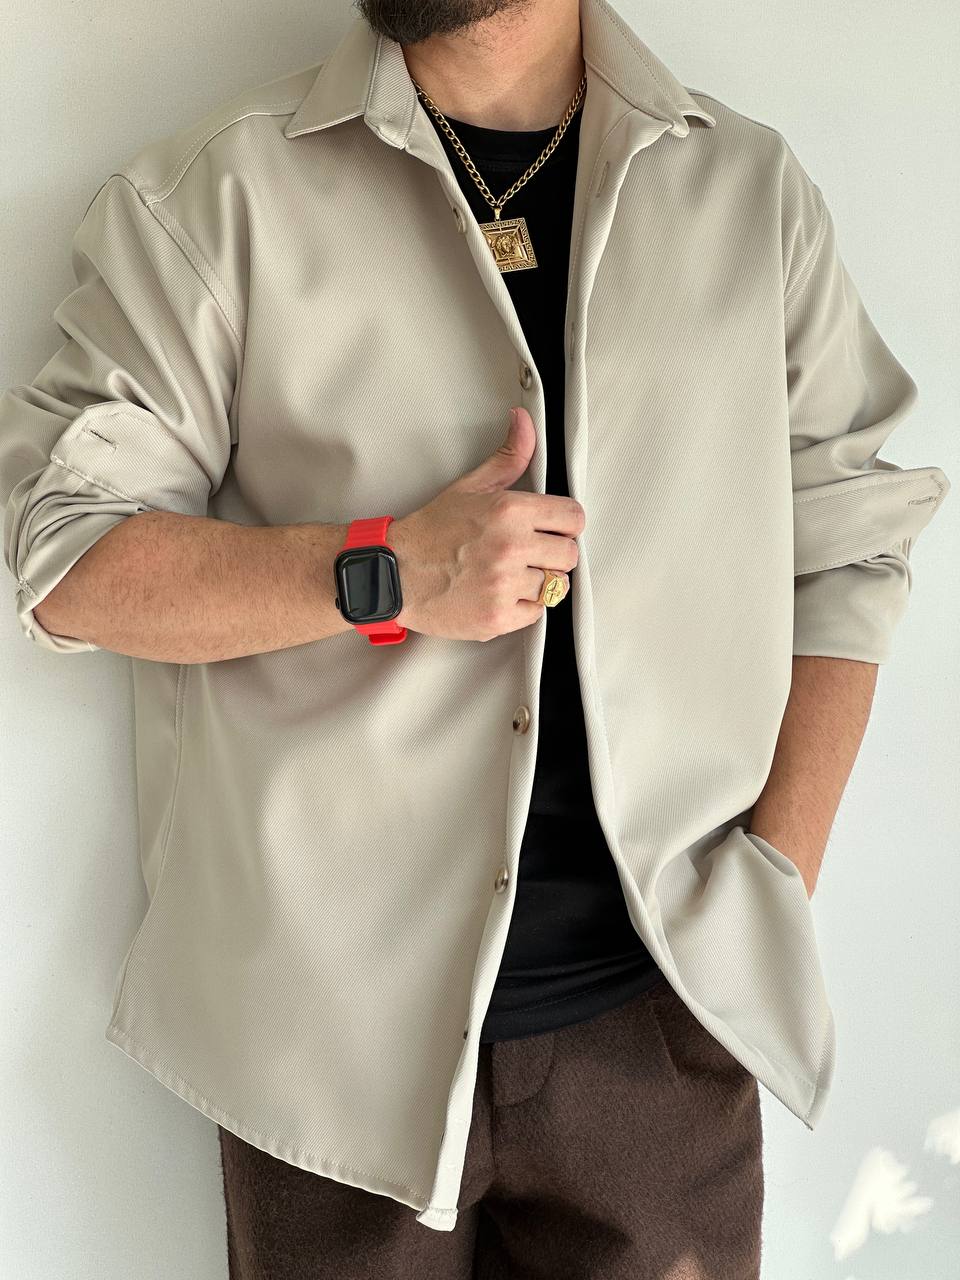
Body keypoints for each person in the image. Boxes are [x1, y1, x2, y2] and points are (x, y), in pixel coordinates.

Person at [0, 0, 949, 1275]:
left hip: (659, 1031)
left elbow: (850, 541)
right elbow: (66, 560)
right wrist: (383, 570)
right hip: (322, 1048)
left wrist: (773, 874)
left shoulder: (745, 192)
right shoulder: (216, 196)